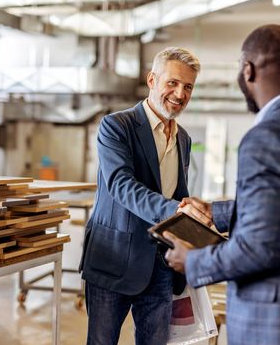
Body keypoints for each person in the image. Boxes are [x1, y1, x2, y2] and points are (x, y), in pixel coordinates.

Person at [164, 24, 280, 345]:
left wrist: (192, 261)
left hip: (274, 323)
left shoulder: (265, 137)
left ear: (248, 70)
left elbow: (259, 249)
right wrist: (219, 211)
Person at [79, 47, 200, 345]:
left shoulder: (183, 138)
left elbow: (177, 192)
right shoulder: (116, 126)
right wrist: (174, 210)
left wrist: (195, 226)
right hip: (114, 259)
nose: (180, 93)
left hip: (160, 266)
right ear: (152, 79)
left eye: (188, 87)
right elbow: (121, 184)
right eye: (172, 83)